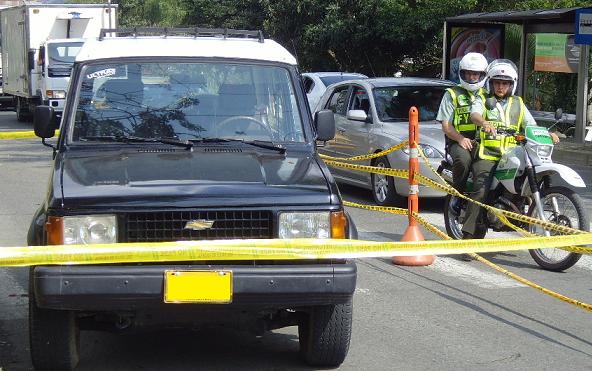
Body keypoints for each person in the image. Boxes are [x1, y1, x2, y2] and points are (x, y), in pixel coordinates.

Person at [463, 59, 560, 244]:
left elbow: (531, 125)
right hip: (489, 155)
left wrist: (548, 133)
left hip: (513, 153)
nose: (500, 87)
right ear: (491, 83)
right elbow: (474, 114)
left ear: (511, 85)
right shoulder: (482, 99)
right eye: (497, 82)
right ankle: (468, 236)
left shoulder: (518, 103)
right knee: (480, 191)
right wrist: (484, 123)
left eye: (505, 83)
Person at [436, 52, 488, 203]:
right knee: (464, 160)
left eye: (475, 74)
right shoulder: (452, 94)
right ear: (462, 74)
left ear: (482, 75)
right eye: (468, 74)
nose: (472, 77)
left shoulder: (487, 95)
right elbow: (446, 126)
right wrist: (460, 139)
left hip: (483, 142)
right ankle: (457, 195)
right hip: (457, 141)